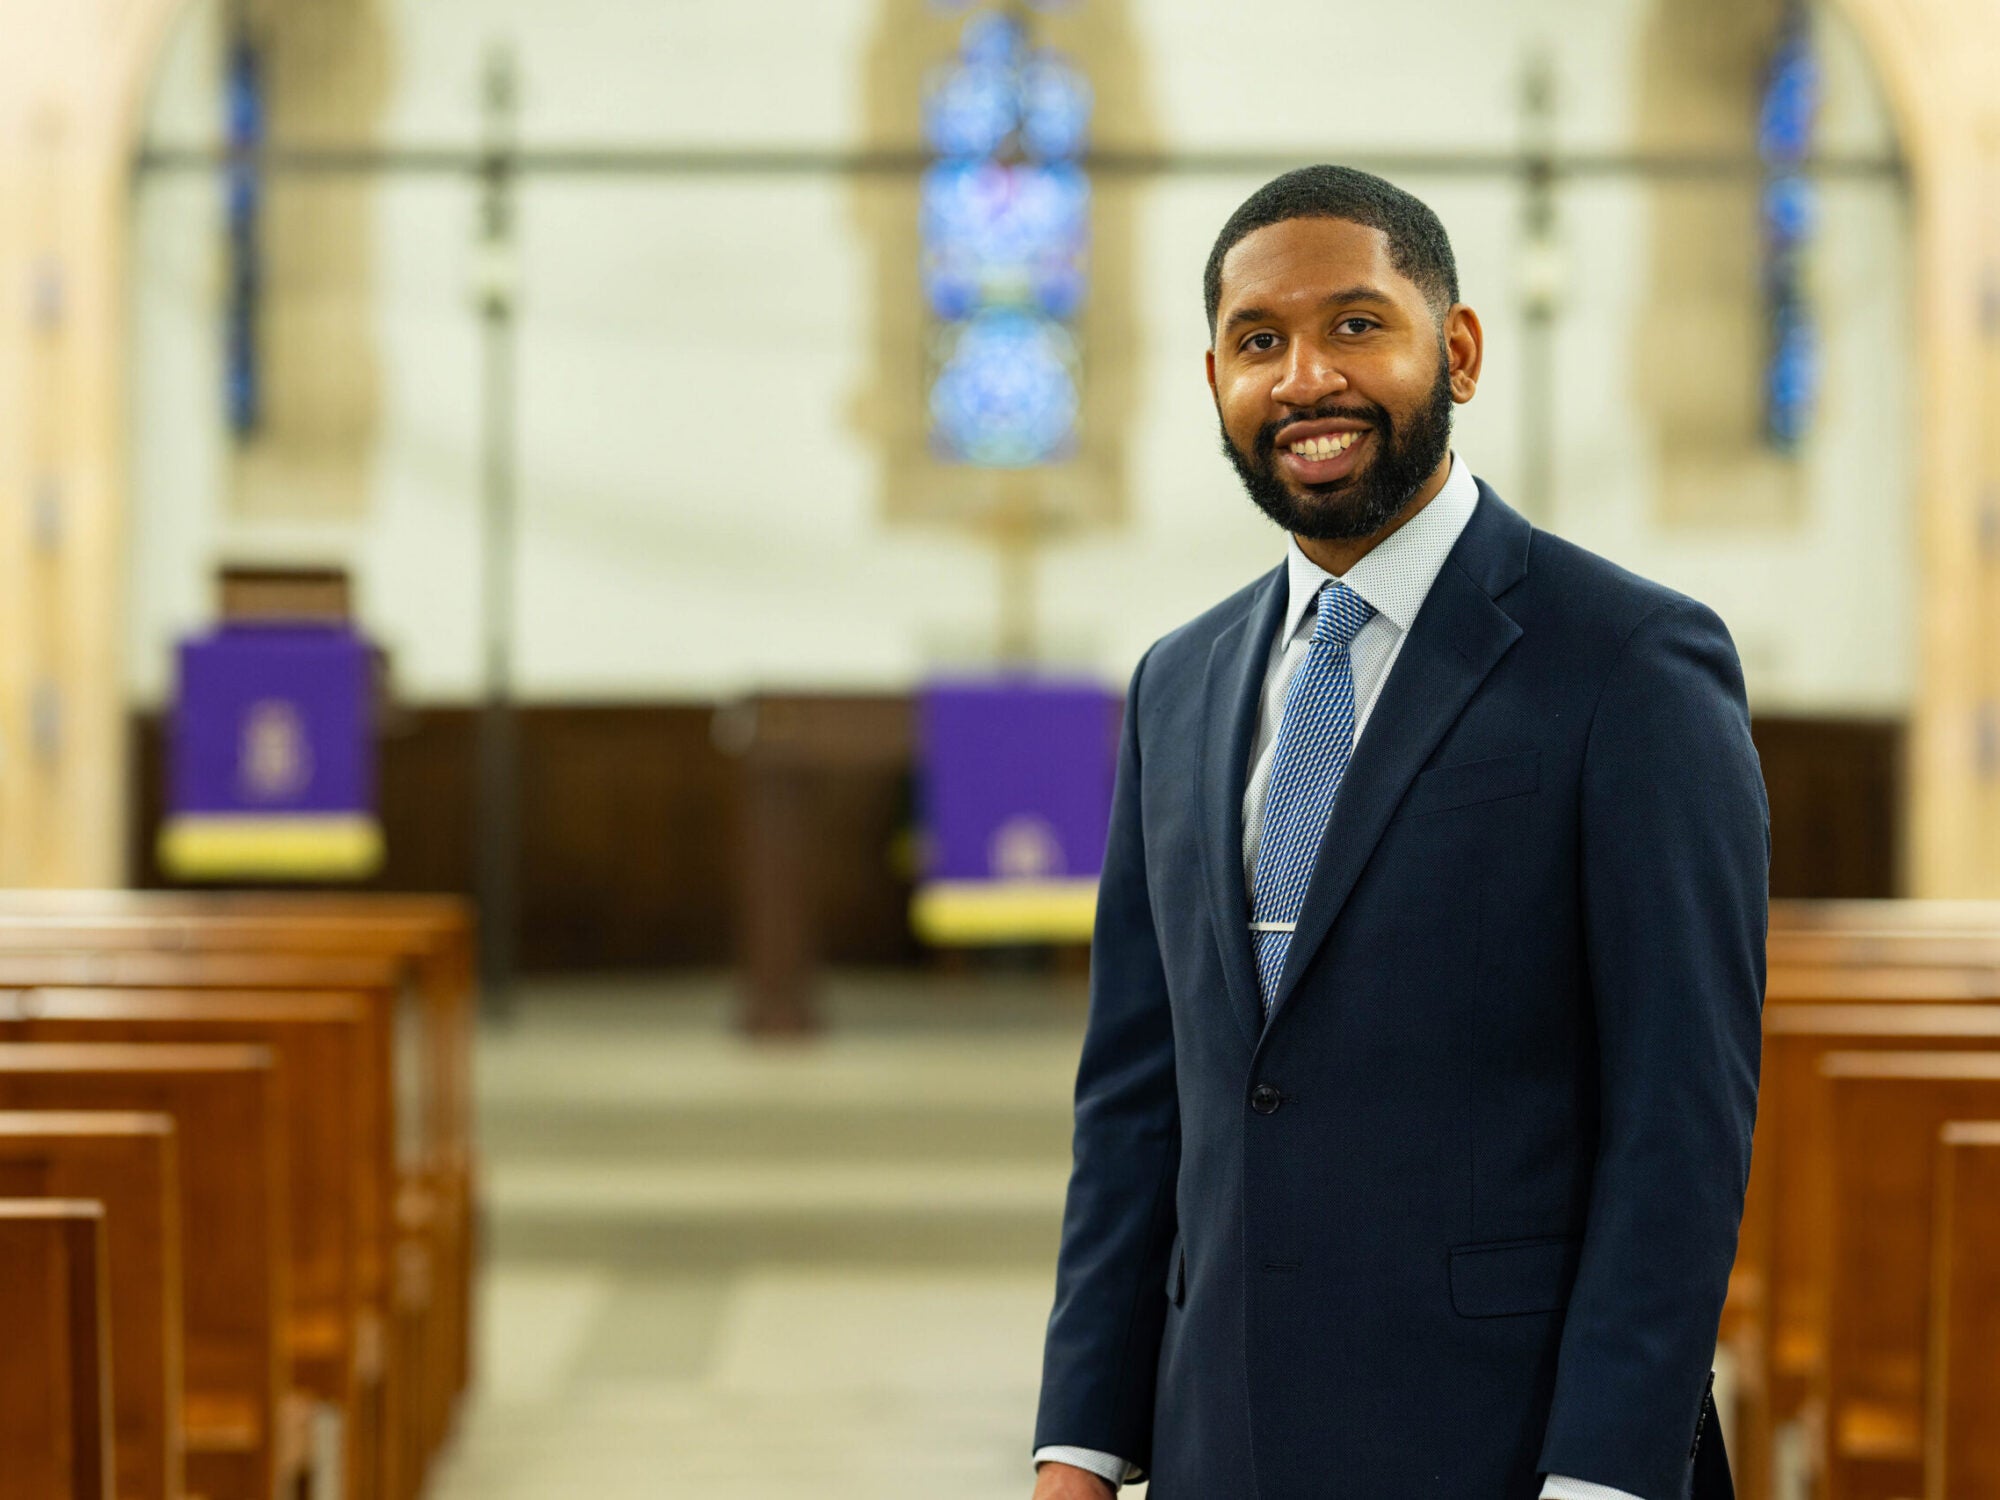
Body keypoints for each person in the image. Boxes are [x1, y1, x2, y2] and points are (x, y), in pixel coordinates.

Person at [1029, 165, 1766, 1499]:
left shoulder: (1631, 665)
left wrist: (1604, 1473)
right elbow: (1139, 1102)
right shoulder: (1179, 684)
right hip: (1225, 1441)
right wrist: (1081, 1442)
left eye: (1356, 325)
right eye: (1260, 343)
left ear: (1460, 350)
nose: (1307, 377)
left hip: (1507, 1445)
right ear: (1215, 386)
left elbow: (1682, 1121)